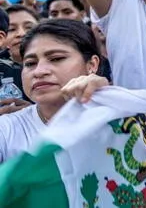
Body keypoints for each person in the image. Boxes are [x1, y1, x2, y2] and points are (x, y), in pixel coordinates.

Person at [0, 20, 100, 163]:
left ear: (92, 64)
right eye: (30, 63)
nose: (39, 72)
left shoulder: (118, 116)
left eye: (56, 58)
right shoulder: (7, 129)